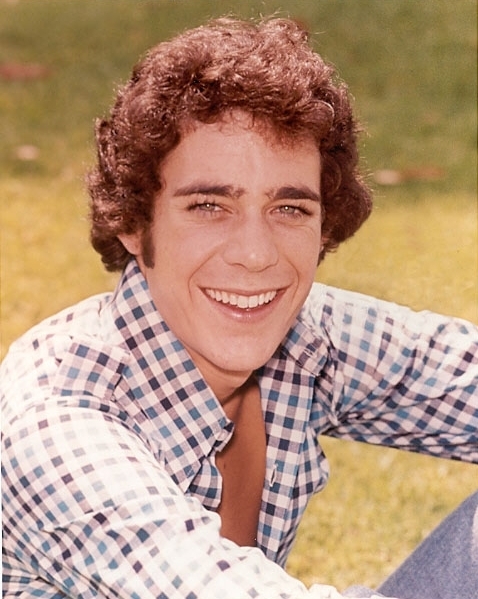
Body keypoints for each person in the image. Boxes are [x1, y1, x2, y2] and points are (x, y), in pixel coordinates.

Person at [1, 16, 477, 599]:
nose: (255, 254)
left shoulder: (302, 338)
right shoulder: (55, 422)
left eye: (290, 209)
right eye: (208, 206)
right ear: (133, 222)